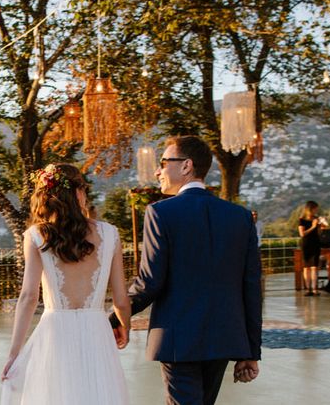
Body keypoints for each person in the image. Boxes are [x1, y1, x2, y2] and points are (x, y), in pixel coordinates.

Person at [111, 135, 261, 405]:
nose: (158, 170)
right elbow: (250, 288)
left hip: (178, 337)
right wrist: (250, 351)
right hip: (225, 337)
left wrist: (113, 318)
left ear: (186, 166)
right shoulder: (240, 217)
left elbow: (149, 282)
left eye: (164, 162)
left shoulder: (160, 213)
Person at [0, 163, 131, 405]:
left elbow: (29, 297)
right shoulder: (110, 234)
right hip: (97, 330)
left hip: (55, 331)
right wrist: (125, 326)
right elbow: (121, 300)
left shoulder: (36, 236)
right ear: (78, 193)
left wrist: (14, 353)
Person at [298, 200, 327, 296]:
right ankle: (308, 289)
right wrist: (313, 226)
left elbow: (318, 233)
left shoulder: (316, 219)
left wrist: (321, 228)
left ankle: (315, 289)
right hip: (306, 244)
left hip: (315, 244)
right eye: (315, 209)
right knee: (307, 268)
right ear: (310, 209)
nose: (316, 211)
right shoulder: (302, 220)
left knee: (314, 267)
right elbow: (302, 234)